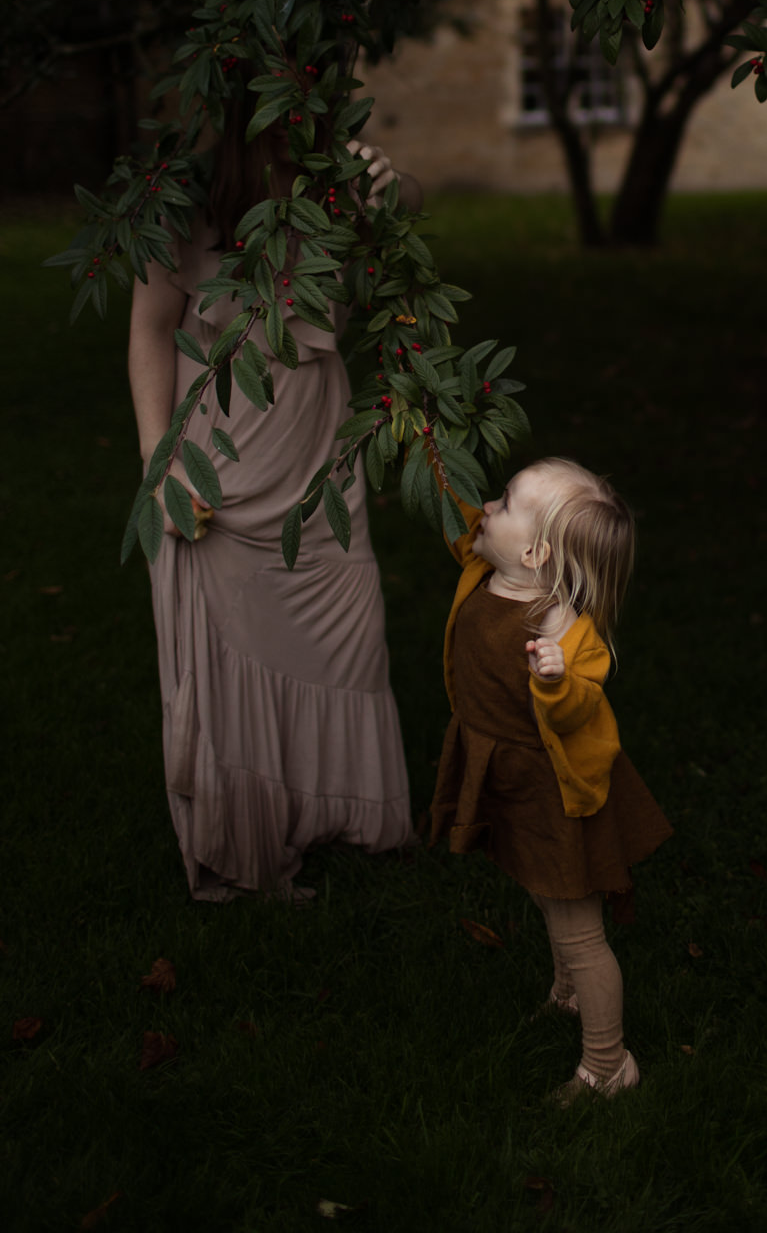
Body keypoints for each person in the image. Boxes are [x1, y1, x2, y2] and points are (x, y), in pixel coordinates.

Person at [127, 114, 418, 902]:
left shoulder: (342, 182)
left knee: (348, 633)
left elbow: (384, 296)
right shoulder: (184, 199)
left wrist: (382, 205)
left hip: (317, 453)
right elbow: (151, 331)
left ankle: (338, 813)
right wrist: (162, 464)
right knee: (232, 655)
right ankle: (248, 831)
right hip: (219, 459)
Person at [429, 458, 672, 1099]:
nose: (488, 507)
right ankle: (565, 993)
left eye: (506, 503)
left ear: (535, 551)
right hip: (506, 772)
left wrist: (554, 681)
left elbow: (579, 709)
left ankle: (607, 1065)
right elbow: (452, 506)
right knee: (540, 893)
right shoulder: (487, 562)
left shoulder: (566, 631)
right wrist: (425, 444)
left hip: (555, 794)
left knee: (578, 928)